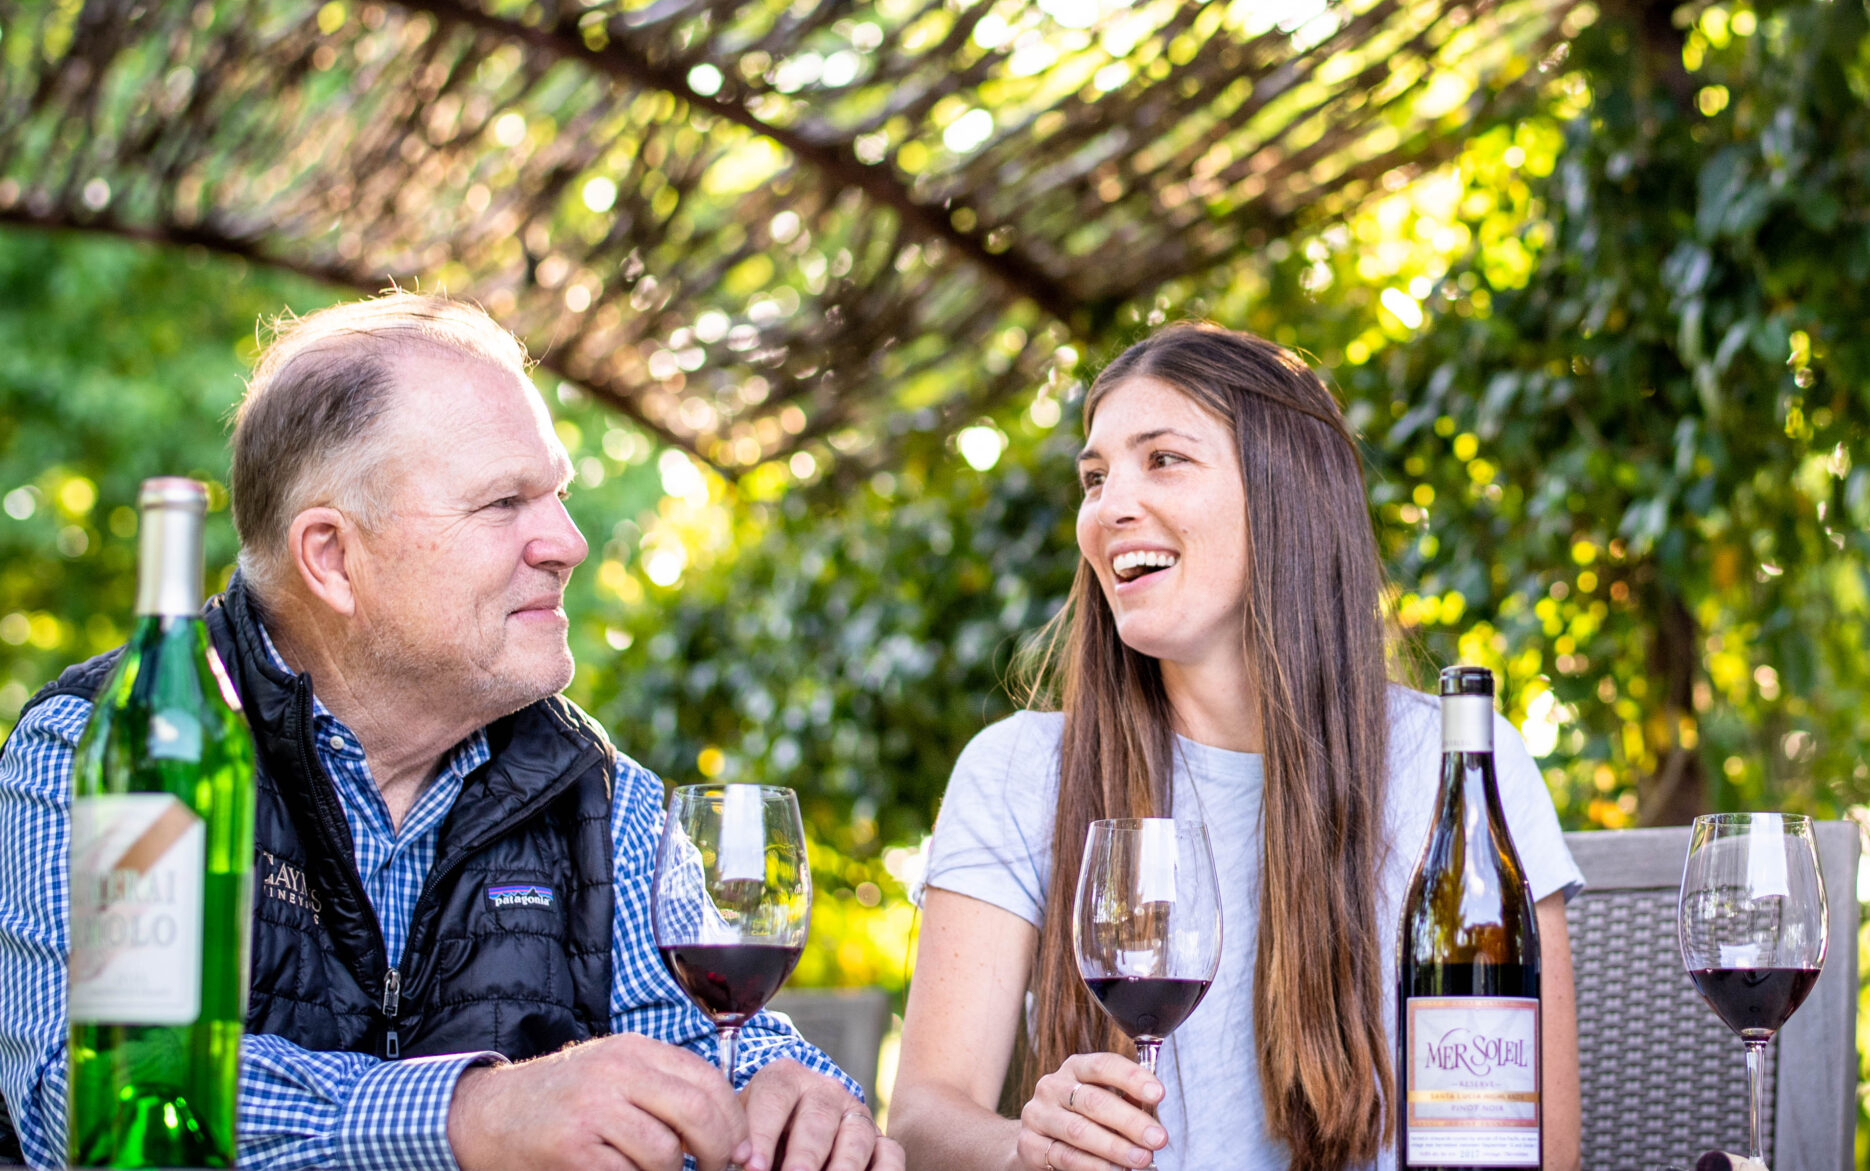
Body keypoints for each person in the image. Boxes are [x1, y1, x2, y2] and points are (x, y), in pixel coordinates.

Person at [0, 293, 899, 1171]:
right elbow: (86, 1100)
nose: (569, 542)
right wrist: (467, 1115)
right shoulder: (109, 747)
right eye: (504, 502)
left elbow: (707, 1053)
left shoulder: (595, 793)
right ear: (332, 557)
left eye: (558, 493)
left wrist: (799, 1098)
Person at [890, 323, 1584, 1171]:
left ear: (1282, 490)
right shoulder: (1018, 770)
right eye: (1095, 477)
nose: (1109, 507)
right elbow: (924, 1119)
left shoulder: (1456, 763)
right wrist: (1022, 1150)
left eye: (1164, 459)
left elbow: (1542, 1152)